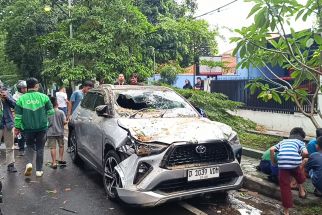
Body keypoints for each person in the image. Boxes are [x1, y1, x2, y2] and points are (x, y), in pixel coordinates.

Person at [14, 78, 55, 177]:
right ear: (36, 86)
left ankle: (29, 164)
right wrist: (49, 124)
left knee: (29, 146)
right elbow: (51, 112)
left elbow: (18, 116)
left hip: (27, 129)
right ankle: (39, 171)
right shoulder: (44, 97)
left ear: (27, 87)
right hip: (41, 128)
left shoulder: (21, 99)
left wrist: (17, 128)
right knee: (40, 148)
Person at [270, 127, 308, 215]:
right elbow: (305, 153)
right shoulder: (300, 142)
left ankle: (286, 212)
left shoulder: (283, 141)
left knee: (285, 187)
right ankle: (302, 192)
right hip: (295, 164)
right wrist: (299, 158)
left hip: (282, 165)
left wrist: (273, 162)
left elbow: (272, 149)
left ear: (290, 135)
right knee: (298, 174)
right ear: (302, 137)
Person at [67, 81, 93, 152]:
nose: (89, 90)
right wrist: (69, 115)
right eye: (88, 88)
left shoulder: (89, 95)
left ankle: (81, 147)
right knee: (71, 131)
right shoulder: (76, 93)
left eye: (90, 89)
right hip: (74, 116)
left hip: (84, 117)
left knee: (82, 132)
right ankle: (69, 146)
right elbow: (70, 103)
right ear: (84, 87)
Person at [0, 81, 17, 173]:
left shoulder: (6, 94)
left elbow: (15, 105)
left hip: (8, 123)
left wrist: (7, 97)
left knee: (10, 146)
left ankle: (10, 164)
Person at [48, 97, 68, 169]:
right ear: (57, 104)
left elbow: (45, 123)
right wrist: (67, 121)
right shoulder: (61, 112)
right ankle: (61, 159)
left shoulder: (47, 112)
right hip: (60, 132)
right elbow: (64, 122)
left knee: (53, 147)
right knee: (61, 146)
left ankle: (53, 162)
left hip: (50, 133)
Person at [13, 80, 28, 156]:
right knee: (20, 134)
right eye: (23, 88)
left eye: (26, 88)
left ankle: (30, 148)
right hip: (19, 118)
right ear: (19, 88)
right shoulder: (15, 97)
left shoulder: (28, 95)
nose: (25, 89)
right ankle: (21, 149)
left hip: (28, 117)